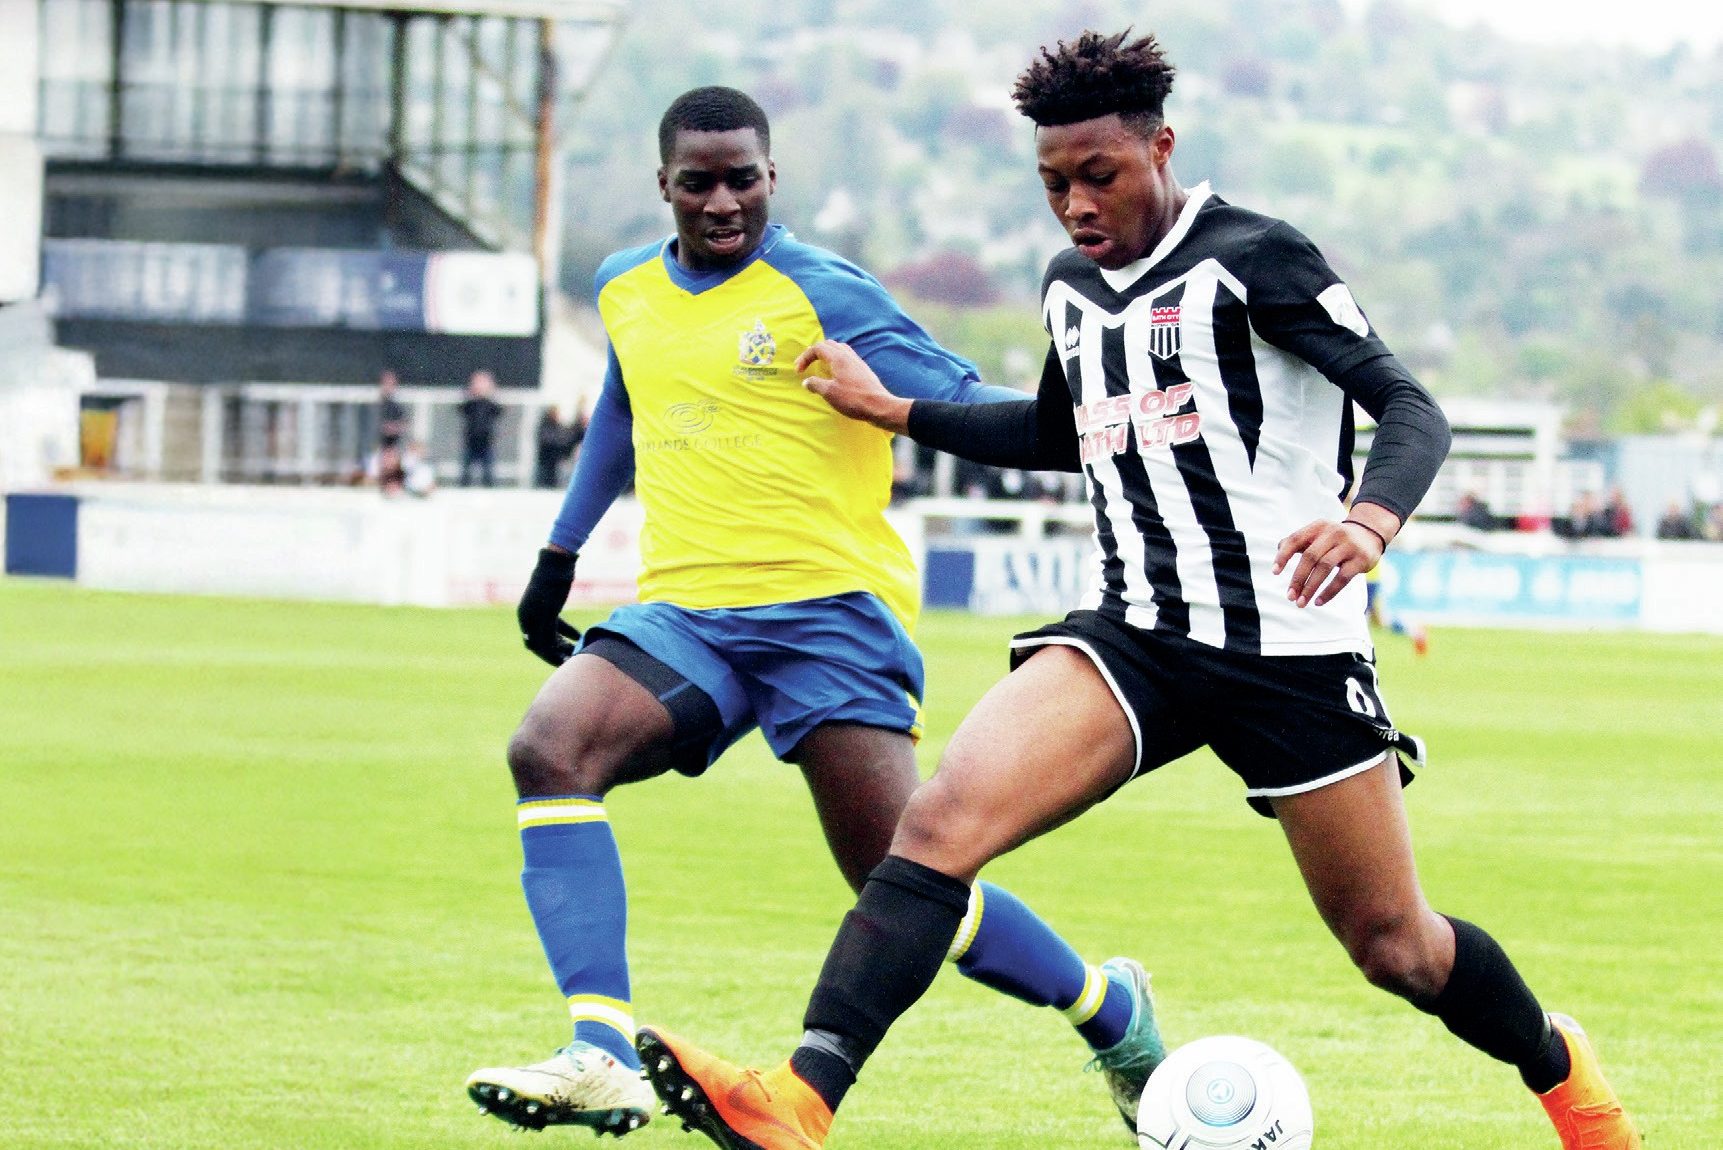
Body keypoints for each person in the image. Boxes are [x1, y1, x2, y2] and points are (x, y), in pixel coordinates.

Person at [636, 33, 1640, 1150]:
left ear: (1160, 147)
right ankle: (800, 1096)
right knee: (934, 825)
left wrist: (1367, 519)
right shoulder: (1071, 287)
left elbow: (1411, 407)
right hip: (1135, 639)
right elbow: (1057, 431)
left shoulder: (1257, 257)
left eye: (1097, 175)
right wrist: (898, 411)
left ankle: (1565, 1079)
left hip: (1288, 654)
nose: (1073, 204)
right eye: (1052, 183)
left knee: (1395, 945)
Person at [464, 85, 1166, 1138]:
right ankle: (597, 1051)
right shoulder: (622, 288)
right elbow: (623, 401)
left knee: (906, 878)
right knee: (549, 748)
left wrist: (1093, 414)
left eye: (741, 178)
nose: (719, 201)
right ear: (663, 184)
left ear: (770, 177)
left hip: (831, 618)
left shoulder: (825, 292)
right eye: (696, 182)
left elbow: (966, 397)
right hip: (689, 615)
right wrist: (559, 551)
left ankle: (1107, 1006)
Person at [458, 370, 504, 487]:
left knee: (488, 470)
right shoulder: (470, 404)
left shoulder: (490, 404)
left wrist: (491, 394)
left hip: (486, 440)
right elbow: (461, 409)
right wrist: (470, 394)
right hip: (471, 439)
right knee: (466, 470)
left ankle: (489, 489)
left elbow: (499, 411)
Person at [534, 407, 577, 489]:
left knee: (554, 476)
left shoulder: (558, 426)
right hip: (546, 456)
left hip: (555, 456)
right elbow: (546, 438)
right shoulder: (545, 425)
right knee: (545, 476)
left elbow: (565, 437)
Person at [374, 370, 408, 453]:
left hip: (390, 451)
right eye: (386, 383)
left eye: (392, 384)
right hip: (374, 448)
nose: (389, 387)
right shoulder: (372, 405)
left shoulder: (396, 406)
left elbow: (404, 425)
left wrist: (395, 427)